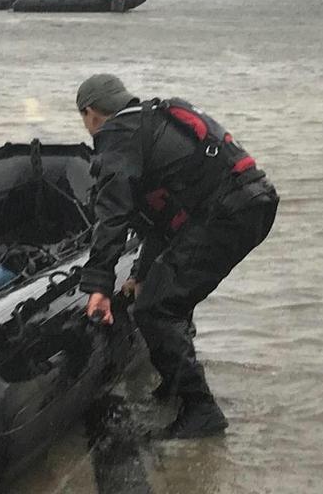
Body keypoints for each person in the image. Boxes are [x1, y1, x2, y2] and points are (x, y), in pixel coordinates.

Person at [75, 74, 278, 439]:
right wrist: (138, 274)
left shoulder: (118, 136)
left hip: (226, 214)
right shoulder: (150, 121)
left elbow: (113, 216)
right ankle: (175, 389)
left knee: (156, 307)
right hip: (250, 204)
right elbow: (163, 222)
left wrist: (99, 286)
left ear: (90, 113)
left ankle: (200, 409)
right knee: (164, 292)